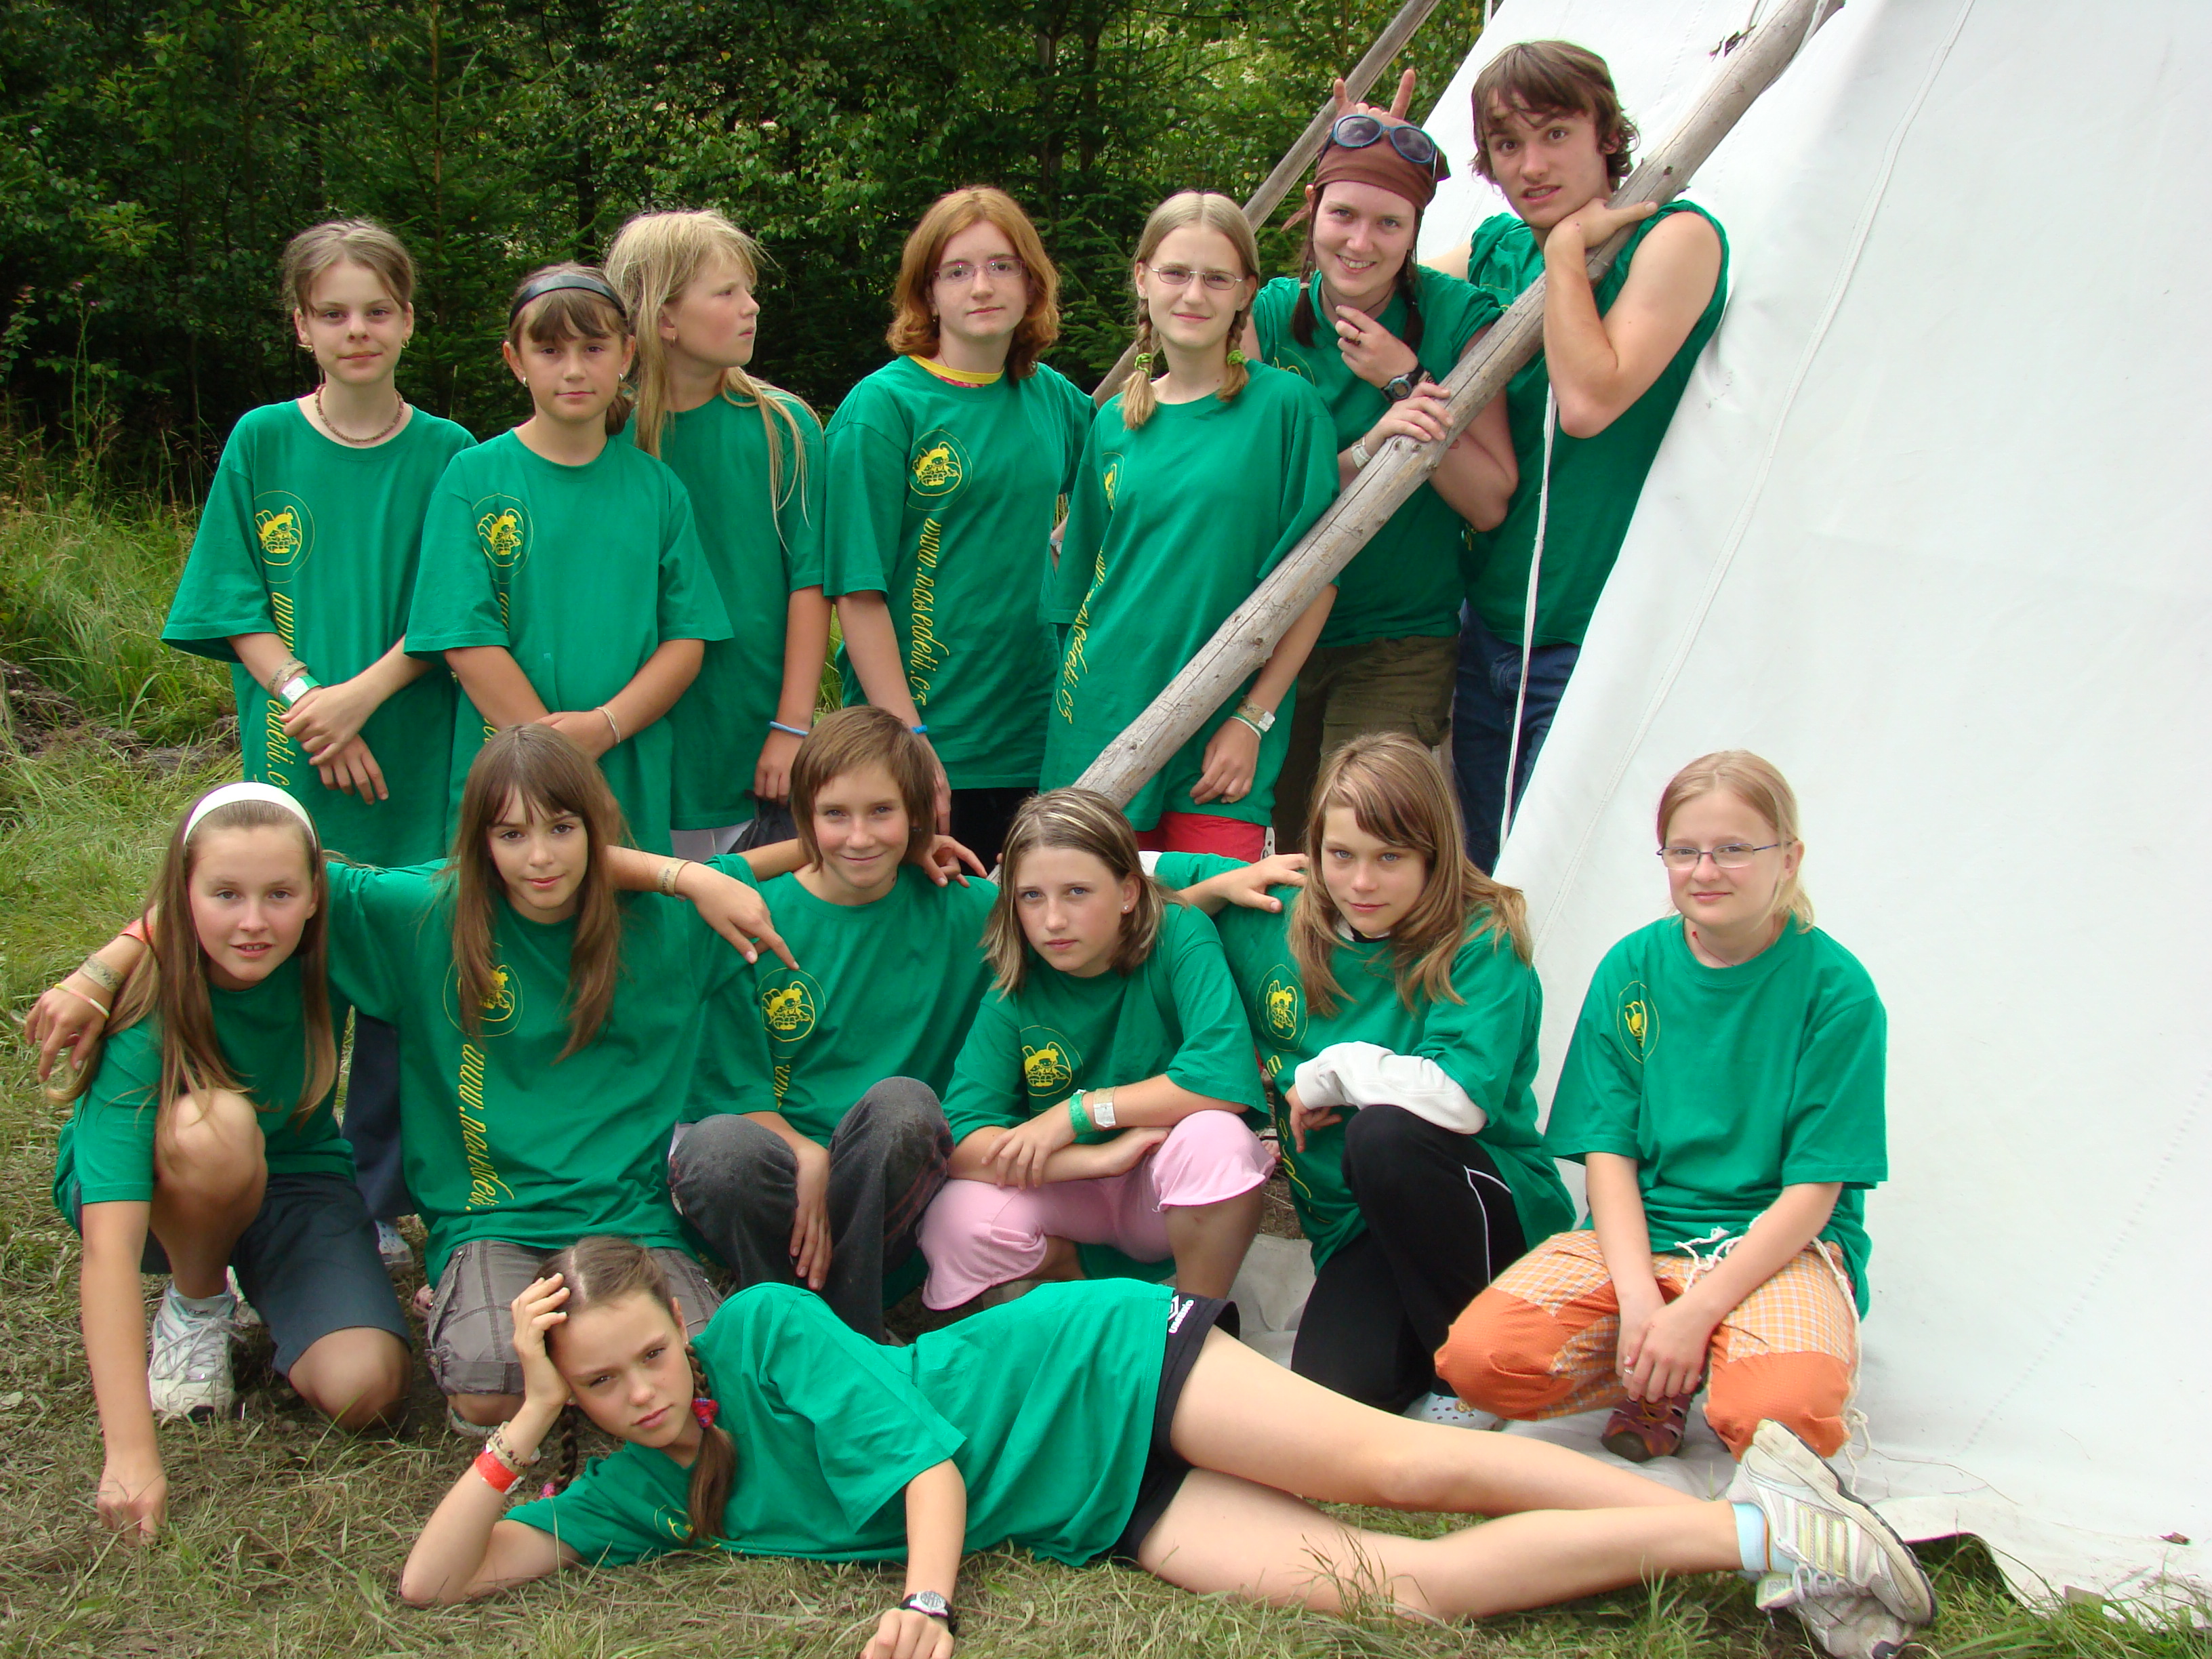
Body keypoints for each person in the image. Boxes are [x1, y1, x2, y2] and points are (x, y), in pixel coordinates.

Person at [396, 1234, 1938, 1659]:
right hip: (1099, 1505)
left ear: (681, 1328)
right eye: (602, 1381)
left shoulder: (762, 1333)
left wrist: (926, 1602)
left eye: (649, 1354)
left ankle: (1766, 1508)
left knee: (1406, 1465)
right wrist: (522, 1417)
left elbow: (929, 1467)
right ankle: (1769, 1531)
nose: (643, 1392)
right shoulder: (631, 1492)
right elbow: (433, 1584)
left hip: (1098, 1365)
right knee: (1399, 1588)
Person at [161, 218, 475, 1267]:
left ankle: (378, 1198)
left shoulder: (451, 453)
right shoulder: (262, 441)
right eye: (334, 313)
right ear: (301, 326)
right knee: (290, 952)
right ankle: (275, 1172)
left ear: (409, 321)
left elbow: (453, 606)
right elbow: (233, 595)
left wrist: (362, 700)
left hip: (413, 748)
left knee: (394, 952)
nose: (357, 331)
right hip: (293, 747)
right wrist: (308, 701)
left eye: (377, 311)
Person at [1439, 752, 1883, 1479]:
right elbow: (1609, 1155)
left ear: (1788, 858)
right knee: (1482, 1361)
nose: (1705, 871)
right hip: (1648, 1233)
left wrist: (1697, 1312)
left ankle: (1719, 1356)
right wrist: (1643, 1302)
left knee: (1781, 1422)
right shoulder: (1632, 969)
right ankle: (1661, 1371)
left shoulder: (1836, 991)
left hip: (1778, 1246)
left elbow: (1815, 1192)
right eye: (1684, 851)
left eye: (1734, 849)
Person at [1164, 733, 1571, 1418]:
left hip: (1483, 1207)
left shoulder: (1480, 936)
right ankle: (1444, 1343)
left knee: (1385, 1134)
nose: (1360, 883)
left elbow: (1460, 1101)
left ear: (1434, 853)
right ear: (1314, 849)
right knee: (1334, 1392)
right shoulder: (1277, 910)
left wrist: (1332, 1072)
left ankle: (1474, 1374)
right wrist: (1212, 889)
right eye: (1341, 855)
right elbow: (1112, 879)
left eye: (1390, 857)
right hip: (1359, 1230)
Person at [52, 783, 411, 1538]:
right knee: (216, 1127)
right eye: (225, 895)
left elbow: (499, 872)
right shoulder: (143, 1008)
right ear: (181, 899)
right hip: (166, 1188)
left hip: (296, 1177)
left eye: (279, 894)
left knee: (365, 1389)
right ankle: (197, 1301)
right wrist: (130, 1455)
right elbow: (109, 1250)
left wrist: (672, 872)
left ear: (316, 896)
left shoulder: (335, 930)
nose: (253, 922)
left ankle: (269, 1278)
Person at [1439, 41, 1729, 869]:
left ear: (1607, 134)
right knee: (1486, 871)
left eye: (1556, 134)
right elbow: (1370, 296)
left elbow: (1591, 401)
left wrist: (1566, 254)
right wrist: (1363, 171)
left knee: (1560, 874)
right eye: (1507, 145)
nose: (1531, 166)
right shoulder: (1496, 249)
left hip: (1595, 632)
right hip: (1487, 624)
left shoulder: (1675, 237)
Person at [1245, 77, 1519, 848]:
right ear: (1312, 209)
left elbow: (1490, 499)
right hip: (1280, 633)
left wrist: (1405, 380)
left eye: (1389, 222)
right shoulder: (1269, 317)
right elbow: (1254, 494)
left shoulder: (1455, 318)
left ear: (1415, 230)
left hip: (1398, 638)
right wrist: (1368, 449)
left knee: (1364, 836)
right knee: (1296, 852)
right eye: (1344, 215)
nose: (1361, 243)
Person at [674, 706, 997, 1340]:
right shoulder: (751, 916)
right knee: (716, 1149)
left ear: (917, 814)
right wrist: (807, 1155)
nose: (860, 837)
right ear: (804, 817)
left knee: (904, 1106)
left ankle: (835, 1330)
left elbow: (1086, 908)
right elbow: (734, 1095)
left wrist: (1193, 884)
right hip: (777, 1180)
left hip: (893, 1186)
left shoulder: (970, 910)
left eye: (882, 812)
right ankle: (785, 1312)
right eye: (835, 815)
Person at [1043, 191, 1339, 860]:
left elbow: (1317, 584)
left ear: (1247, 293)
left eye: (1217, 278)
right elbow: (1078, 591)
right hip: (1100, 715)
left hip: (1223, 726)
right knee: (1101, 914)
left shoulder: (1287, 408)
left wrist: (1254, 718)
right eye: (1176, 273)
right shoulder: (1113, 422)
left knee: (1213, 910)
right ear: (1143, 280)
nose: (1194, 294)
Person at [406, 264, 730, 856]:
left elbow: (687, 639)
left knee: (624, 907)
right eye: (550, 350)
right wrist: (558, 764)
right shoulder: (473, 478)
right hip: (507, 773)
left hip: (625, 764)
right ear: (515, 360)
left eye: (594, 348)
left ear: (627, 353)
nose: (574, 369)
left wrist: (605, 726)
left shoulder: (657, 489)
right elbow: (466, 638)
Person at [822, 187, 1095, 864]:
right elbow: (856, 592)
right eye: (957, 270)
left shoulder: (1052, 398)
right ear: (928, 293)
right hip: (921, 737)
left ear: (1032, 283)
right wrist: (909, 739)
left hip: (1036, 729)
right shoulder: (883, 408)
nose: (982, 286)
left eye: (1002, 266)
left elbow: (1132, 491)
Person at [920, 789, 1272, 1312]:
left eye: (1077, 892)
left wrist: (1078, 1113)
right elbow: (964, 1140)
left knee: (1218, 1141)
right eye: (1031, 896)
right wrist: (1095, 1159)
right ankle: (1077, 1275)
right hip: (1074, 1191)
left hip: (1161, 1182)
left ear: (1128, 891)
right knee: (955, 1218)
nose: (1053, 920)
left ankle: (1194, 1323)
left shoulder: (1179, 933)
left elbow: (1218, 1078)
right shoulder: (1018, 979)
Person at [605, 209, 832, 859]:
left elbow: (810, 581)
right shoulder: (607, 436)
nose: (751, 307)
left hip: (756, 743)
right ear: (664, 319)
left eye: (749, 290)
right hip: (638, 748)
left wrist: (793, 725)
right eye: (727, 292)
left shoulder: (784, 427)